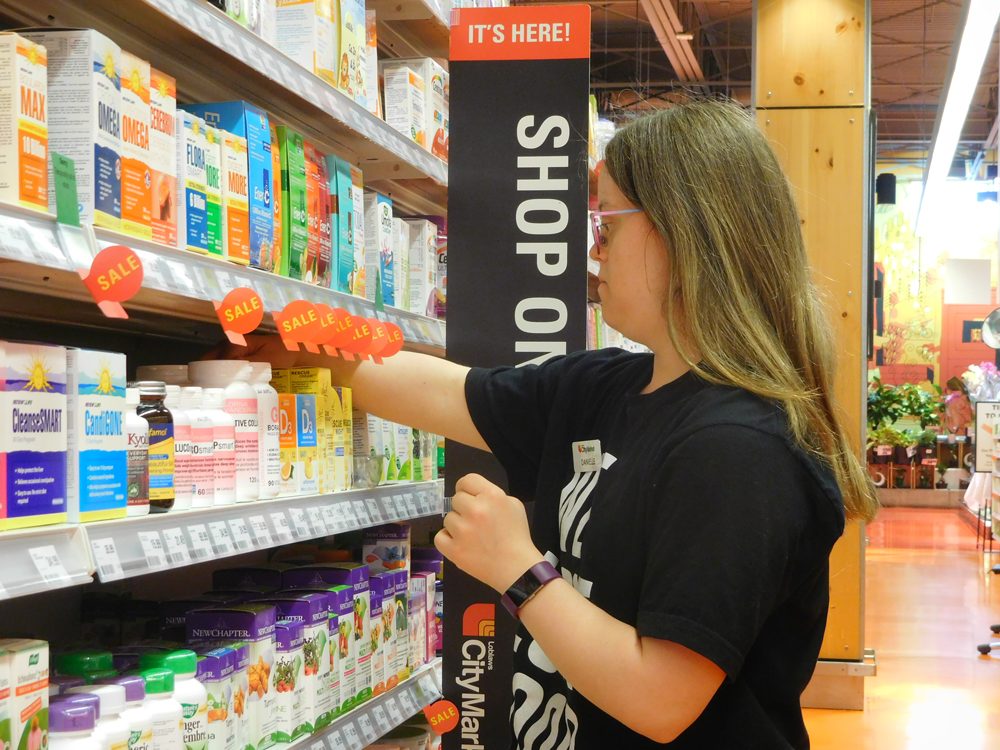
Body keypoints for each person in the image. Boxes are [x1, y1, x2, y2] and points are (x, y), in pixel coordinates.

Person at [229, 99, 878, 748]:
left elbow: (662, 699)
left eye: (609, 228)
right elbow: (446, 393)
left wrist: (518, 567)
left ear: (682, 235)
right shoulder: (606, 388)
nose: (595, 254)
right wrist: (275, 343)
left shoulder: (739, 451)